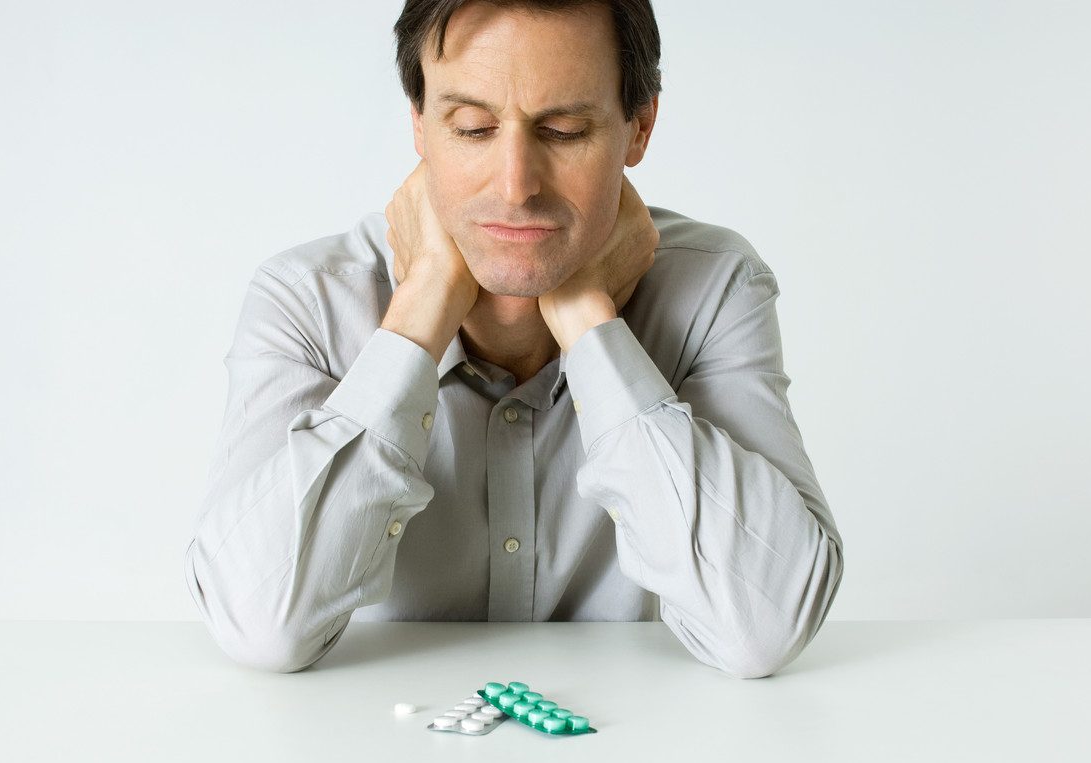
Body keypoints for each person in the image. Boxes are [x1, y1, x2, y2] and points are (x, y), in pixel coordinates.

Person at [183, 0, 845, 679]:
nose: (515, 187)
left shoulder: (714, 289)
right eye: (472, 128)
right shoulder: (308, 299)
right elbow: (257, 623)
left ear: (639, 127)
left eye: (562, 130)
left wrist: (589, 320)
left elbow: (767, 626)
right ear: (420, 124)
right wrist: (419, 315)